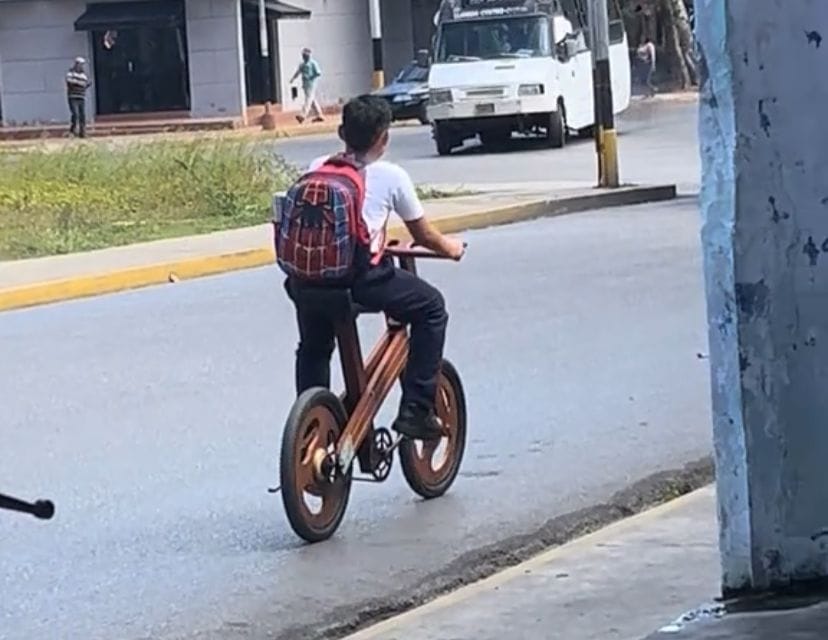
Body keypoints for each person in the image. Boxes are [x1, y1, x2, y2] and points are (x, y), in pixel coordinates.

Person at [282, 96, 464, 440]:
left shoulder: (317, 165)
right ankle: (416, 411)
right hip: (358, 282)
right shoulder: (392, 175)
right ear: (384, 138)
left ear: (341, 132)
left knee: (314, 347)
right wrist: (451, 248)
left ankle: (309, 426)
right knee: (432, 308)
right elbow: (423, 235)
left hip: (306, 281)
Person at [290, 48, 324, 124]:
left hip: (311, 84)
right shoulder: (302, 64)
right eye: (304, 55)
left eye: (306, 55)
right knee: (312, 100)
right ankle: (319, 115)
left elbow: (318, 73)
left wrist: (311, 77)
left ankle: (303, 115)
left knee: (308, 100)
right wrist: (293, 79)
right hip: (305, 84)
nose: (305, 56)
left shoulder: (313, 63)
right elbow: (298, 72)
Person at [66, 57, 91, 138]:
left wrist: (79, 83)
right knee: (75, 114)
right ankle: (72, 131)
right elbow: (70, 82)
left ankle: (82, 132)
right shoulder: (70, 73)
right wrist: (80, 84)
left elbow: (87, 83)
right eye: (79, 64)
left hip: (81, 97)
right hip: (73, 97)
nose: (81, 66)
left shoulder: (84, 75)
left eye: (82, 64)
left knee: (82, 115)